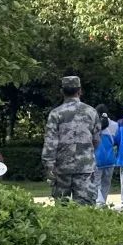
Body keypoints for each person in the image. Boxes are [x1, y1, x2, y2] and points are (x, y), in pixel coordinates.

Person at [41, 76, 101, 206]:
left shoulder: (55, 114)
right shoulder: (91, 112)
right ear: (80, 91)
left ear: (62, 92)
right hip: (85, 168)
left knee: (62, 208)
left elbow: (50, 143)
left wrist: (49, 165)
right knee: (85, 209)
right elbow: (96, 140)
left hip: (62, 168)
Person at [93, 104, 119, 208]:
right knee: (106, 184)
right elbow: (117, 141)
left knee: (96, 184)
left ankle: (100, 204)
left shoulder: (93, 125)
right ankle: (102, 203)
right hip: (110, 159)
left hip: (96, 159)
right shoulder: (115, 125)